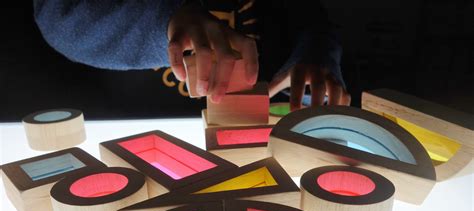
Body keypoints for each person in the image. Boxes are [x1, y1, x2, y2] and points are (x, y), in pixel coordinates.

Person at [33, 0, 350, 110]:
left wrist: (316, 52)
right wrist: (165, 22)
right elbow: (58, 15)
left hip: (260, 136)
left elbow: (313, 18)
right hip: (140, 126)